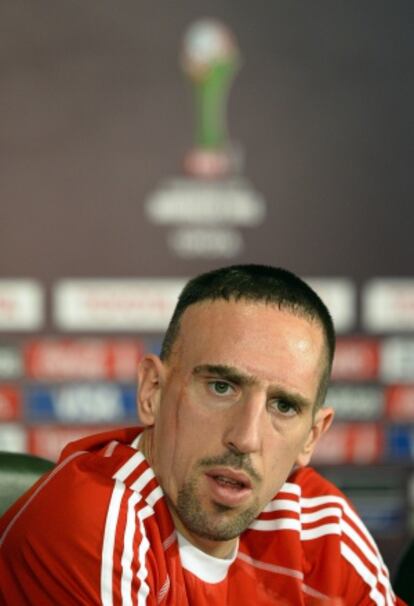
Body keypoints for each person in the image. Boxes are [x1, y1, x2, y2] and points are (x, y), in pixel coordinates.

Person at [0, 265, 405, 605]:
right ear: (152, 392)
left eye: (283, 406)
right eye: (221, 387)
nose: (246, 438)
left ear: (311, 437)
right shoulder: (94, 524)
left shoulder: (320, 527)